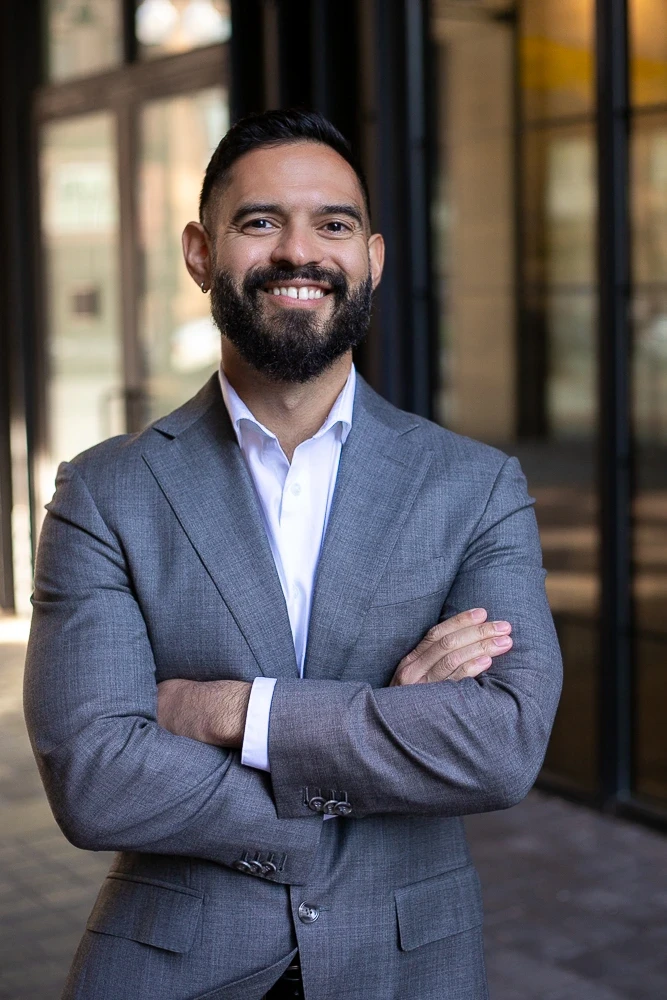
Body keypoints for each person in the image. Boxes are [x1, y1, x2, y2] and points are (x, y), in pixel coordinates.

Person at [24, 109, 562, 1000]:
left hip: (409, 966)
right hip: (173, 967)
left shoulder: (474, 486)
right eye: (260, 221)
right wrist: (388, 736)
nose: (298, 252)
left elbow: (502, 744)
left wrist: (231, 710)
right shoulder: (104, 492)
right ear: (201, 252)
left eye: (333, 224)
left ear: (372, 259)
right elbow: (96, 780)